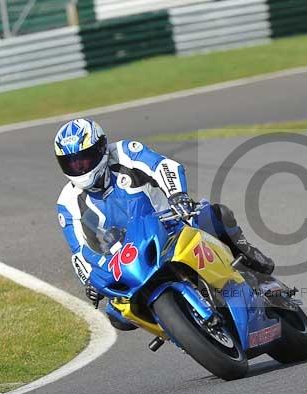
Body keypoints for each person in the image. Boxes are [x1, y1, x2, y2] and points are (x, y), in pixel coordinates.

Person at [54, 118, 274, 329]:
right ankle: (176, 326)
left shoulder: (124, 152)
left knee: (214, 215)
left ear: (101, 148)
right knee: (117, 315)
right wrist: (89, 280)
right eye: (71, 162)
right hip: (131, 256)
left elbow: (163, 166)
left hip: (172, 223)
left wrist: (177, 195)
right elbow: (79, 251)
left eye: (84, 159)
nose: (79, 167)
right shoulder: (67, 202)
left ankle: (254, 264)